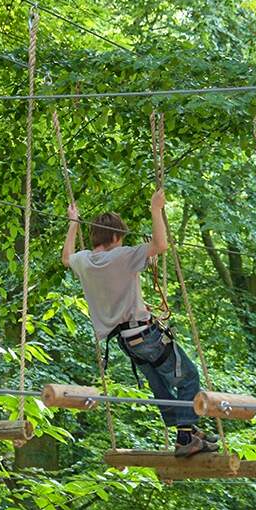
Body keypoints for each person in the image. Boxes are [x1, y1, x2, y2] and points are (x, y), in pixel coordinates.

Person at [62, 189, 218, 458]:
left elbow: (66, 257)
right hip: (145, 335)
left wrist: (73, 223)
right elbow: (160, 245)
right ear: (114, 237)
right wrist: (155, 209)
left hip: (125, 341)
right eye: (121, 238)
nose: (123, 242)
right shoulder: (121, 255)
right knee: (188, 376)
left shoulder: (85, 262)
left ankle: (187, 431)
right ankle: (185, 435)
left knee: (161, 386)